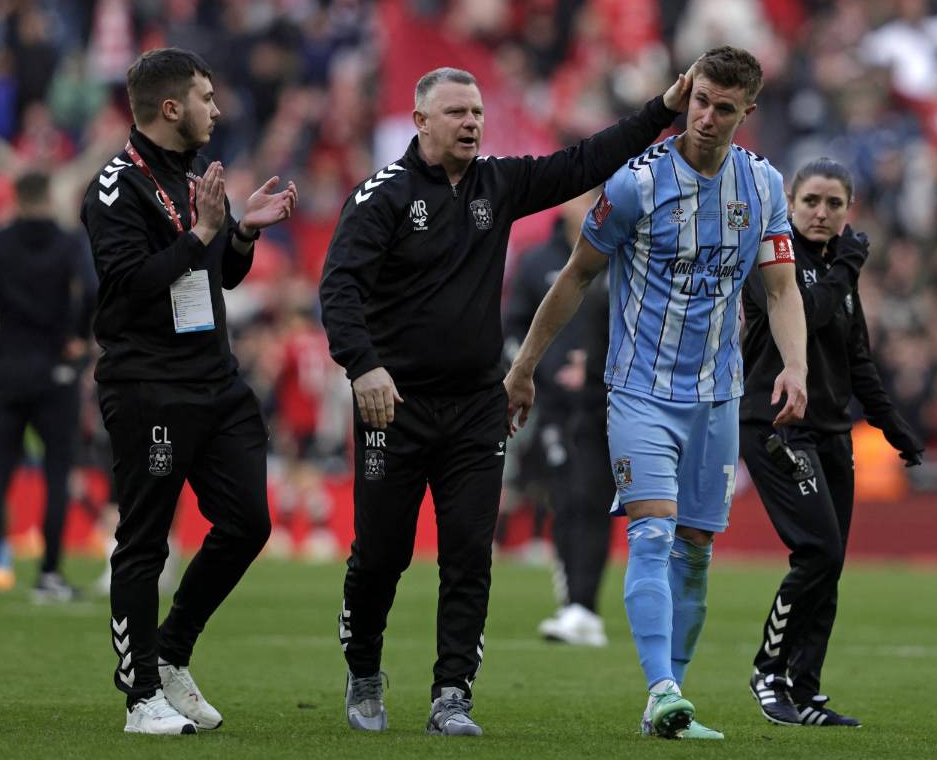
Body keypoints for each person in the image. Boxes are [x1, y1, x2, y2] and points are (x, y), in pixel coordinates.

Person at [320, 65, 693, 737]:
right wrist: (363, 365)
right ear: (420, 122)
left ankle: (452, 693)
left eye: (477, 112)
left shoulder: (498, 182)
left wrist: (663, 109)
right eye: (456, 112)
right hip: (392, 408)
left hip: (474, 407)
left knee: (469, 552)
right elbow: (339, 288)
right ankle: (366, 669)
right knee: (381, 554)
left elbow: (585, 160)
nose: (470, 122)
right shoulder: (381, 197)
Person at [505, 45, 809, 740]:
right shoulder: (636, 184)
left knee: (695, 550)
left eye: (724, 108)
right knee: (652, 534)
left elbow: (782, 287)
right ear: (686, 93)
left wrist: (795, 365)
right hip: (639, 391)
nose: (706, 117)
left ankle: (665, 700)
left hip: (718, 396)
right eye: (700, 100)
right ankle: (664, 689)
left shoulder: (762, 186)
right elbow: (576, 275)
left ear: (746, 113)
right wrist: (523, 367)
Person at [81, 47, 297, 736]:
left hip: (216, 381)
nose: (218, 109)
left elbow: (218, 279)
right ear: (171, 107)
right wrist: (204, 232)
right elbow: (126, 290)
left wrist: (238, 235)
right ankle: (141, 694)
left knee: (249, 523)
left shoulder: (197, 180)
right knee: (145, 541)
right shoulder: (116, 188)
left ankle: (172, 651)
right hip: (150, 386)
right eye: (207, 96)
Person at [740, 158, 923, 728]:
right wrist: (845, 268)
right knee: (817, 549)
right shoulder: (772, 258)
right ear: (790, 203)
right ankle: (768, 672)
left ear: (849, 209)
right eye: (812, 201)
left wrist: (895, 427)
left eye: (834, 204)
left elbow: (856, 358)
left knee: (831, 562)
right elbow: (806, 315)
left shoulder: (839, 268)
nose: (822, 213)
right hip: (775, 425)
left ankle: (804, 688)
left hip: (831, 431)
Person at [0, 171, 95, 603]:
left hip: (7, 367)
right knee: (57, 473)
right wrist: (77, 335)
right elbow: (92, 290)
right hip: (54, 370)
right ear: (48, 196)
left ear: (17, 198)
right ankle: (49, 575)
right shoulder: (67, 241)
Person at [503, 192, 608, 645]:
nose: (592, 205)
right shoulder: (535, 263)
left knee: (593, 498)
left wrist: (597, 364)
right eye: (586, 197)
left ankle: (582, 602)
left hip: (605, 396)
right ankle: (577, 600)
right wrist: (539, 371)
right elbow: (514, 327)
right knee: (566, 494)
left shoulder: (619, 255)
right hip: (553, 401)